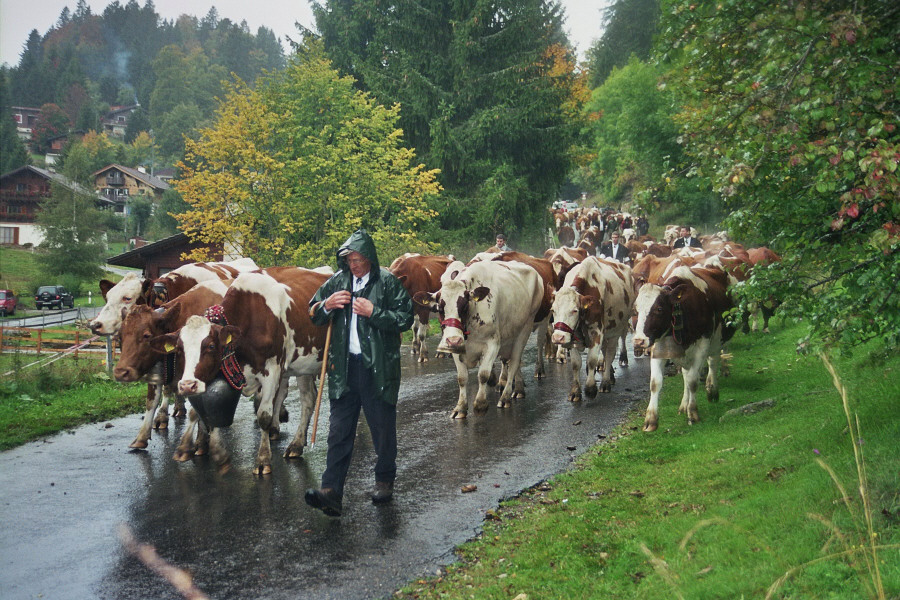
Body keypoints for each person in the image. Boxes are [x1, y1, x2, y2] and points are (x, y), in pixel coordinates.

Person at [305, 229, 414, 517]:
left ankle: (384, 480)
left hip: (377, 368)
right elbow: (313, 312)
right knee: (339, 431)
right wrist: (326, 305)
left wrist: (374, 312)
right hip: (343, 368)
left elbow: (405, 318)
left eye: (358, 259)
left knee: (382, 429)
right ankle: (331, 491)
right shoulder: (338, 281)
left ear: (369, 258)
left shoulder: (387, 282)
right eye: (349, 259)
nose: (353, 264)